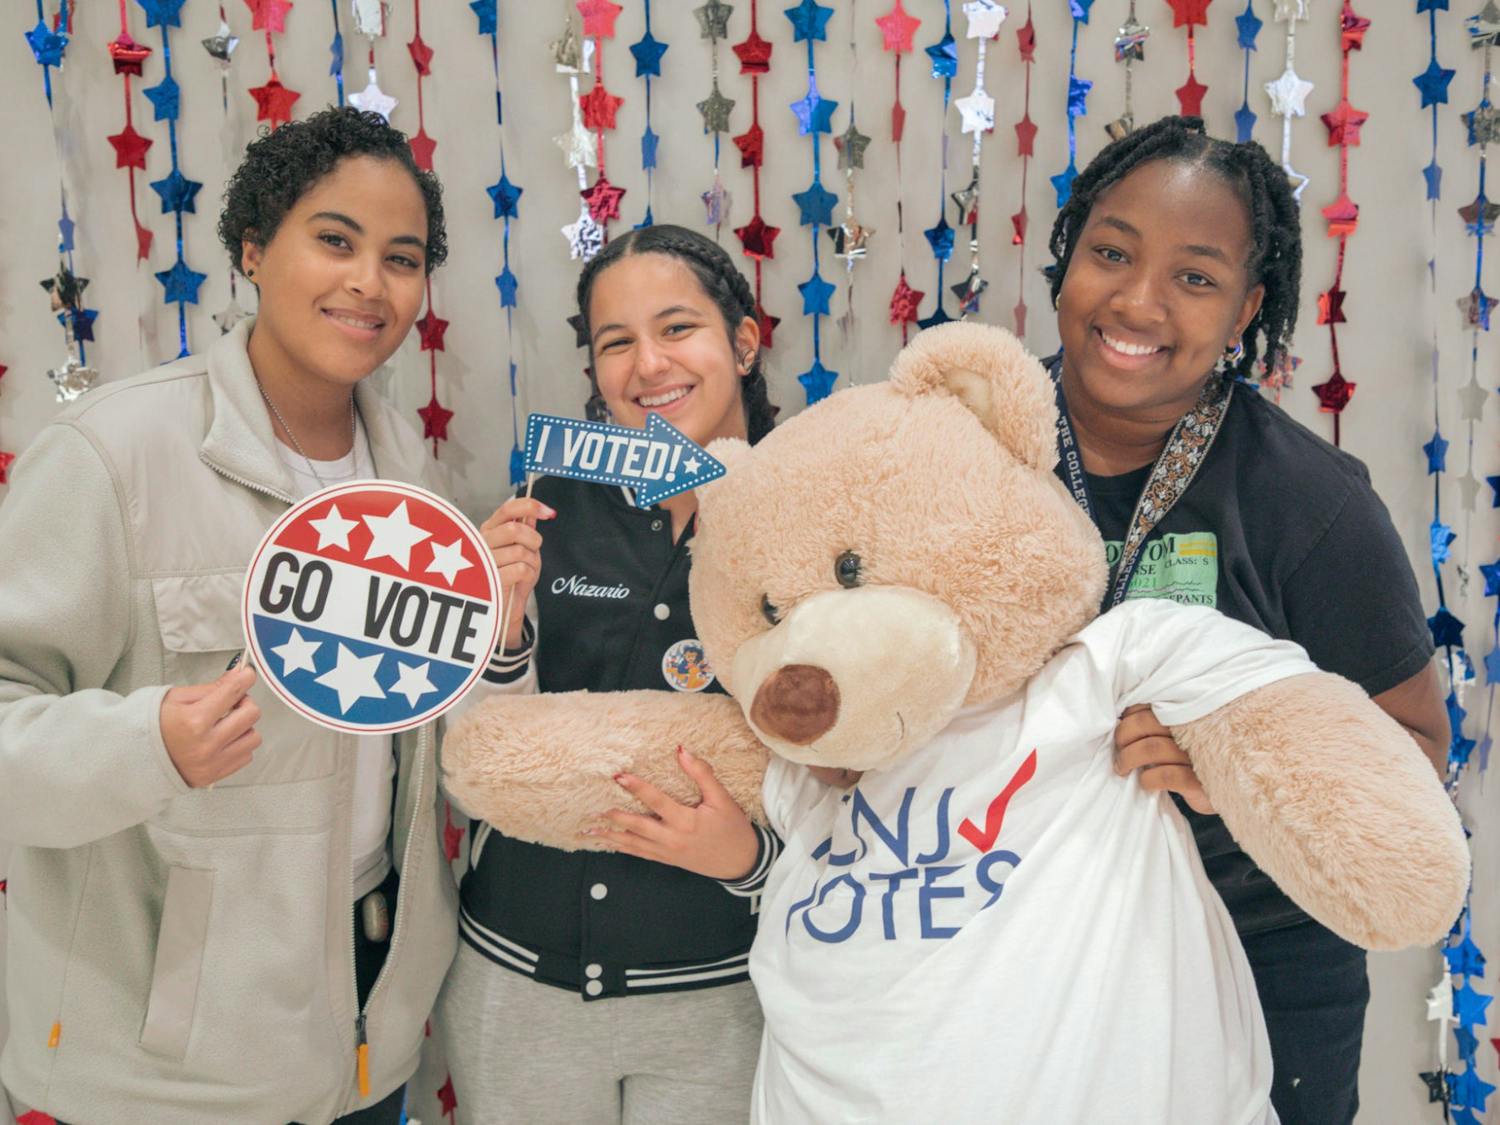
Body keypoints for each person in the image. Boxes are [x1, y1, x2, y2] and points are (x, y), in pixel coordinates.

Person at [0, 107, 458, 1125]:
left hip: (368, 1028)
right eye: (334, 239)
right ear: (253, 248)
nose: (369, 282)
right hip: (163, 1073)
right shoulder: (113, 453)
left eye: (402, 258)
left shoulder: (413, 479)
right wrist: (145, 745)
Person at [1043, 115, 1448, 1125]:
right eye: (1111, 253)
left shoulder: (1310, 503)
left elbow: (1415, 753)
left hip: (1260, 962)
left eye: (1194, 276)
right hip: (1015, 945)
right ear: (1068, 255)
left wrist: (1235, 770)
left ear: (1245, 310)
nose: (1138, 301)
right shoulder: (965, 442)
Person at [439, 224, 779, 1124]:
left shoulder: (808, 510)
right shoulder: (546, 506)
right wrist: (500, 629)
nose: (649, 364)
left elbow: (856, 764)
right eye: (616, 341)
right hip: (517, 986)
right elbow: (474, 756)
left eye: (678, 328)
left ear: (745, 342)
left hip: (723, 996)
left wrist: (752, 862)